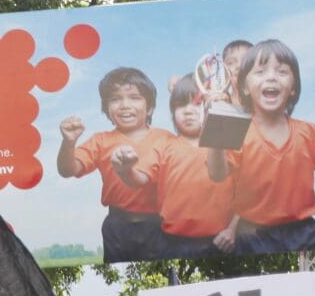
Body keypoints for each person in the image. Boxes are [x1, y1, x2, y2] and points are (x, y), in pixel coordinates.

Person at [207, 39, 315, 254]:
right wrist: (217, 131)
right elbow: (217, 174)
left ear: (294, 89)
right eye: (260, 71)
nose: (271, 77)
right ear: (245, 88)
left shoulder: (308, 132)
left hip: (303, 235)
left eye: (282, 71)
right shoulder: (235, 128)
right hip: (252, 237)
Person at [57, 67, 174, 263]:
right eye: (115, 99)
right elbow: (68, 170)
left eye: (134, 97)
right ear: (106, 109)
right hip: (117, 227)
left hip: (160, 225)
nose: (124, 105)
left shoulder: (166, 139)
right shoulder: (100, 141)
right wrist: (68, 142)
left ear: (150, 107)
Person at [145, 74, 239, 258]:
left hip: (220, 242)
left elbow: (248, 192)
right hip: (170, 243)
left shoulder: (229, 142)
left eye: (197, 103)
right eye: (180, 105)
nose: (188, 111)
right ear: (172, 111)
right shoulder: (164, 144)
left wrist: (232, 230)